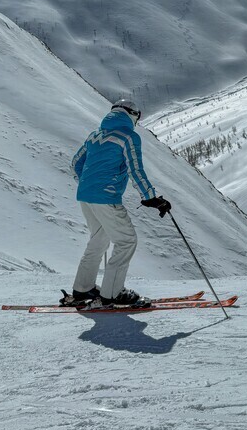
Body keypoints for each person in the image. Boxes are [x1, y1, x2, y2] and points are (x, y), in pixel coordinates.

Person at [64, 99, 171, 309]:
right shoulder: (128, 137)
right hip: (106, 197)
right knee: (126, 241)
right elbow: (135, 169)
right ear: (132, 115)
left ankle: (83, 289)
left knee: (99, 240)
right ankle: (112, 294)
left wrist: (90, 184)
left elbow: (76, 163)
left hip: (86, 196)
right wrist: (150, 197)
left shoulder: (95, 135)